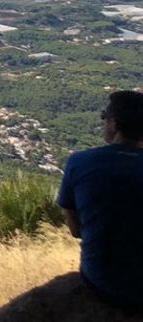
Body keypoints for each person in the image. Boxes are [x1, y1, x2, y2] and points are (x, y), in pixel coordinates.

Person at [56, 90, 143, 313]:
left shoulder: (80, 162)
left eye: (105, 118)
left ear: (113, 125)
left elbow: (75, 230)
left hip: (103, 283)